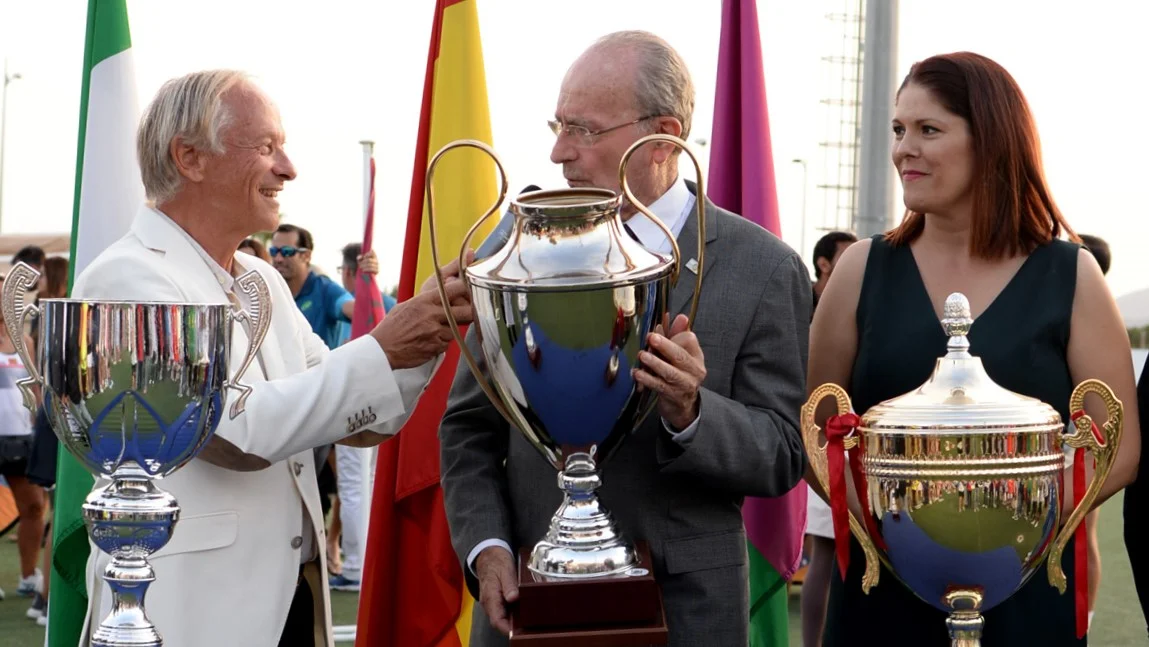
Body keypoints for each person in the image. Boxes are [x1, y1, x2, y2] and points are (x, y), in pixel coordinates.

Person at [70, 69, 474, 646]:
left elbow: (356, 418)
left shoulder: (261, 279)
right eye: (266, 147)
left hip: (288, 602)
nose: (288, 168)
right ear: (189, 157)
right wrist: (387, 346)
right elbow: (233, 434)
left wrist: (430, 329)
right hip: (193, 615)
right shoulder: (128, 278)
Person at [440, 31, 811, 647]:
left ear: (663, 137)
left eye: (583, 130)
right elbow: (467, 428)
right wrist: (488, 548)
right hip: (529, 600)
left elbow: (783, 453)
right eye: (558, 125)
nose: (559, 152)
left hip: (685, 614)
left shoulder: (763, 268)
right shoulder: (519, 249)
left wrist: (692, 412)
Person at [809, 52, 1140, 646]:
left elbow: (1118, 446)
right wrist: (899, 536)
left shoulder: (1072, 276)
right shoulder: (859, 269)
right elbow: (818, 430)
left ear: (991, 141)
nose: (903, 149)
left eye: (928, 129)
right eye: (898, 129)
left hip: (1023, 588)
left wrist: (1006, 532)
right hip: (882, 597)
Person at [324, 241, 395, 592]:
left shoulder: (367, 303)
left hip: (358, 401)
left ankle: (356, 566)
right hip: (381, 402)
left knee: (354, 485)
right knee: (365, 484)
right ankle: (365, 561)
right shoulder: (383, 302)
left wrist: (370, 282)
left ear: (350, 272)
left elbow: (364, 315)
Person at [801, 230, 855, 647]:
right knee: (825, 552)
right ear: (824, 264)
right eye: (845, 256)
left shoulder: (856, 301)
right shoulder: (805, 304)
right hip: (824, 445)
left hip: (851, 445)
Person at [23, 255, 69, 626]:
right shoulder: (53, 315)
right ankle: (46, 598)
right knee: (61, 511)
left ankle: (44, 597)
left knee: (55, 512)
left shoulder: (45, 314)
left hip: (55, 417)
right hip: (61, 418)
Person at [0, 275, 45, 606]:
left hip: (22, 438)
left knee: (33, 507)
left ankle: (28, 577)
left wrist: (41, 425)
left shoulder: (24, 340)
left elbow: (35, 389)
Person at [1078, 234, 1111, 631]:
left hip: (1085, 438)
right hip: (1065, 435)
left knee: (1085, 532)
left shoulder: (1100, 313)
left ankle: (1085, 616)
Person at [810, 231, 856, 311]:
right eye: (848, 258)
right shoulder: (799, 300)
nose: (857, 263)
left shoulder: (858, 304)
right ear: (823, 265)